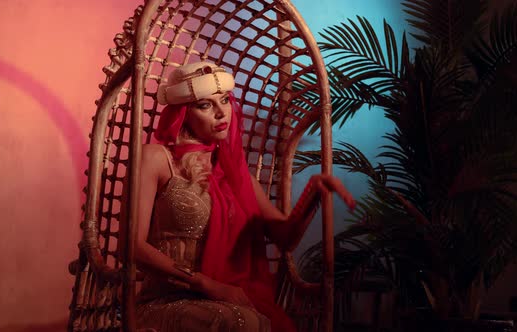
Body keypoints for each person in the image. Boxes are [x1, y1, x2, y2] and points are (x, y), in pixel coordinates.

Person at [134, 61, 356, 332]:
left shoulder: (236, 177)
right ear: (183, 114)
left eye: (225, 100)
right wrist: (207, 284)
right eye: (205, 105)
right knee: (244, 323)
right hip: (165, 302)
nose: (220, 112)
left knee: (258, 321)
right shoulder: (156, 159)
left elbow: (284, 238)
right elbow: (133, 246)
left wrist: (313, 192)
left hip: (223, 299)